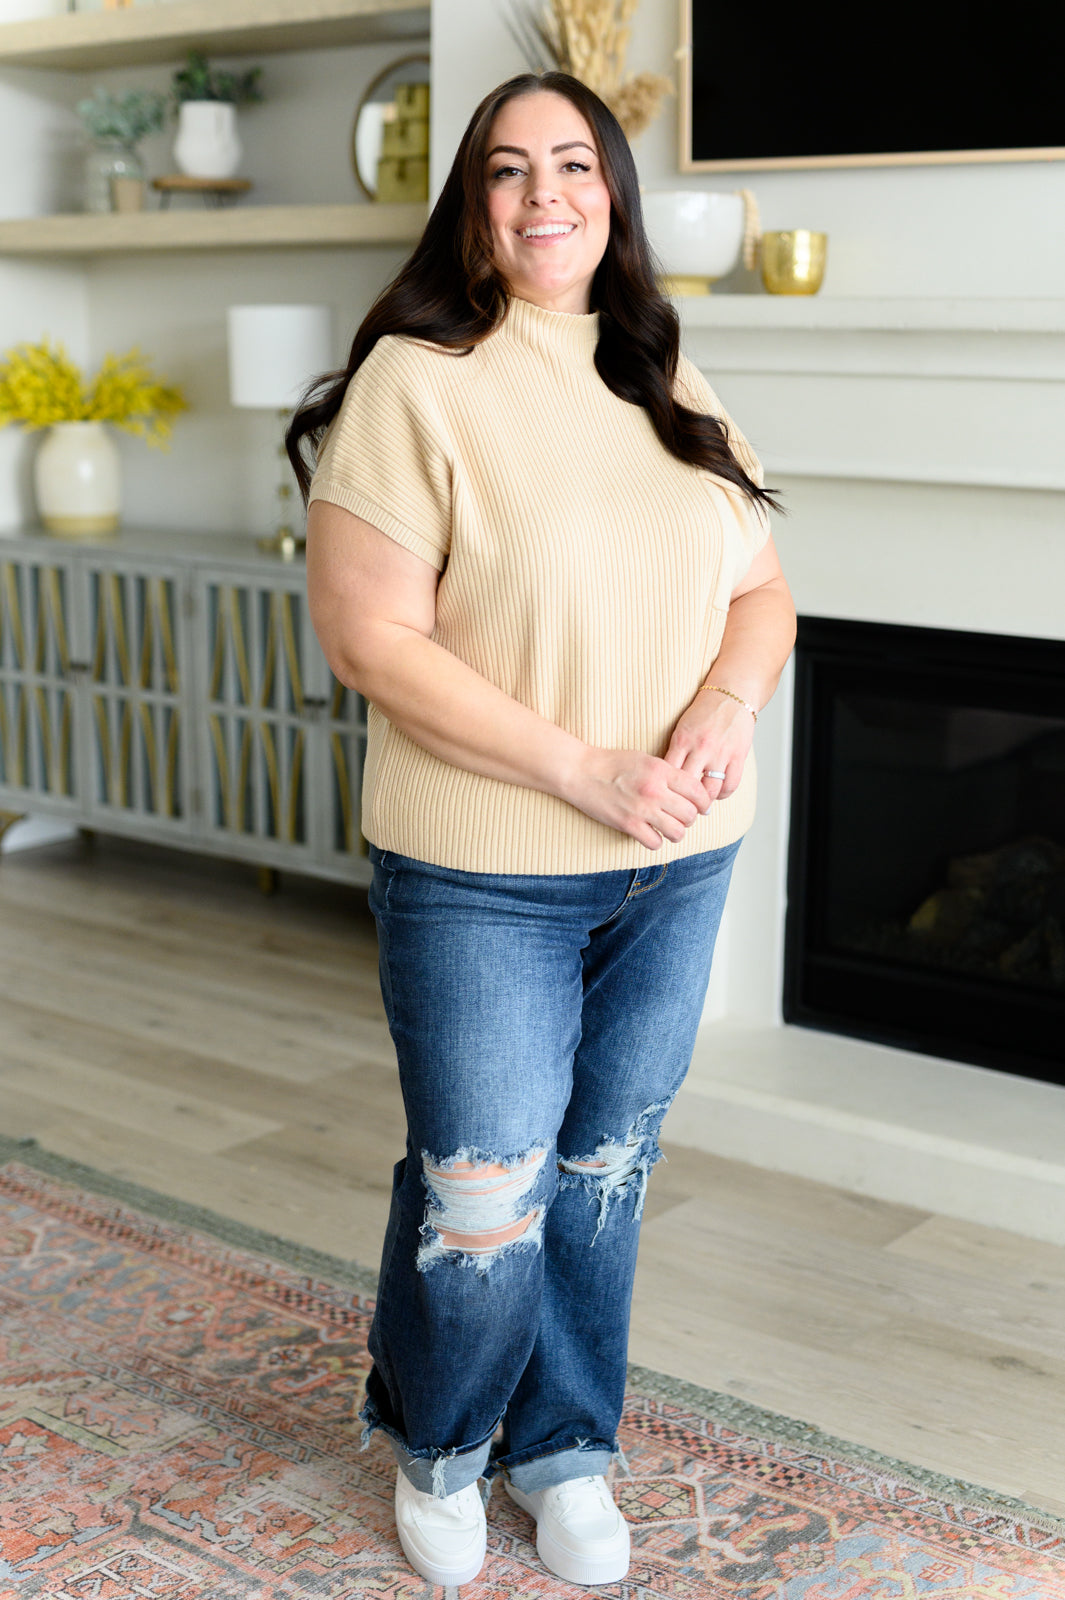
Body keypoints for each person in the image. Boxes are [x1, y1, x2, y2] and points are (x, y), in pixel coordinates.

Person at [287, 70, 796, 1591]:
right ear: (474, 203)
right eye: (508, 169)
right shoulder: (416, 379)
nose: (544, 194)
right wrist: (584, 772)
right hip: (483, 872)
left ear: (612, 194)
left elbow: (762, 589)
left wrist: (727, 704)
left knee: (601, 1169)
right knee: (482, 1191)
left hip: (678, 857)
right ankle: (441, 1446)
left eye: (573, 164)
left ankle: (563, 1448)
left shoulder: (660, 368)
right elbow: (370, 641)